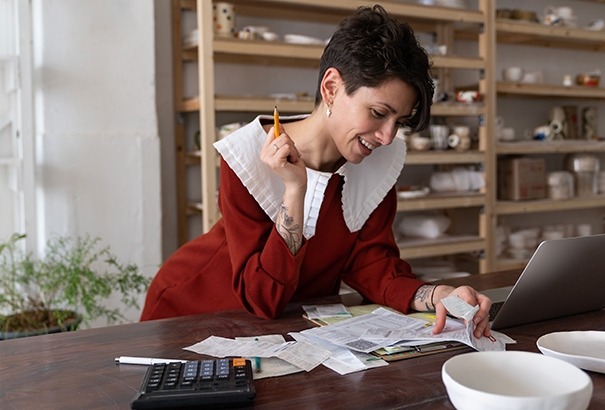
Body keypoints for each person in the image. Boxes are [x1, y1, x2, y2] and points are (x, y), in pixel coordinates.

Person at [141, 5, 494, 339]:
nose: (387, 137)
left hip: (290, 324)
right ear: (331, 88)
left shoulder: (376, 162)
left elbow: (372, 266)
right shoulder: (245, 155)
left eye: (398, 122)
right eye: (377, 113)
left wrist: (440, 295)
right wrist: (295, 190)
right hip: (195, 311)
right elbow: (263, 298)